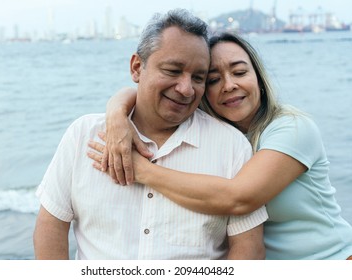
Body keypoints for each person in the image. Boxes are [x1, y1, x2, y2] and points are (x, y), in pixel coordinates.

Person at [88, 32, 352, 260]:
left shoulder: (292, 129)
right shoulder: (222, 140)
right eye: (213, 80)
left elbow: (238, 198)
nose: (229, 85)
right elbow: (148, 92)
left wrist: (140, 169)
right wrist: (116, 113)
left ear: (258, 78)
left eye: (239, 72)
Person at [33, 9, 268, 260]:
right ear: (137, 67)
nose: (186, 89)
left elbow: (248, 248)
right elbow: (52, 226)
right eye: (172, 71)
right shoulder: (84, 135)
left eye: (199, 77)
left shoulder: (231, 146)